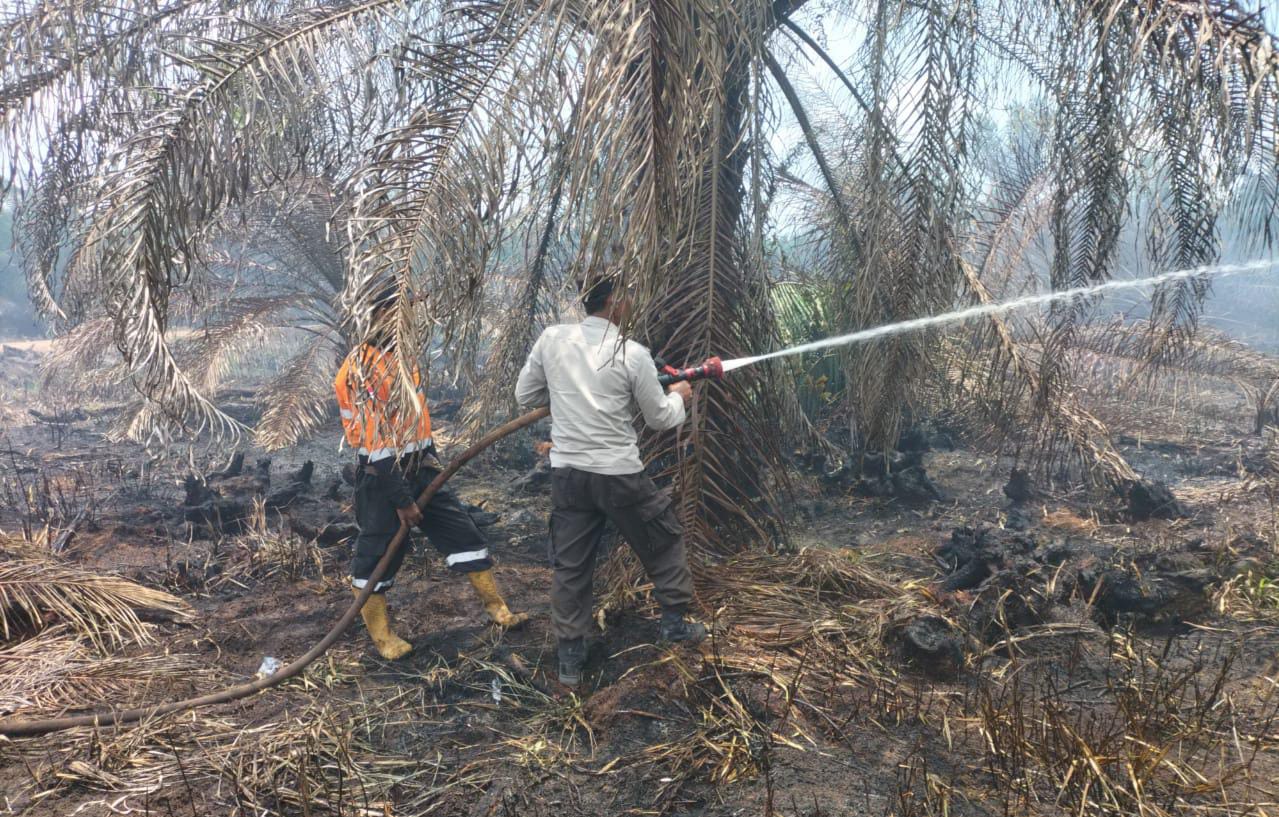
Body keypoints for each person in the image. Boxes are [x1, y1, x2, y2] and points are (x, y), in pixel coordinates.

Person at [515, 273, 706, 687]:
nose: (633, 302)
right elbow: (659, 418)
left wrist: (569, 396)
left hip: (568, 477)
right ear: (615, 302)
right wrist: (681, 397)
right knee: (664, 538)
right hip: (618, 475)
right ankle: (674, 624)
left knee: (571, 565)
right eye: (630, 295)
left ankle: (569, 659)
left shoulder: (551, 339)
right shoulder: (633, 354)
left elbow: (525, 397)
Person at [335, 287, 528, 660]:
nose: (413, 319)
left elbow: (417, 422)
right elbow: (376, 447)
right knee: (377, 556)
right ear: (381, 314)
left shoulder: (404, 360)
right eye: (404, 311)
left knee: (464, 532)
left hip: (421, 469)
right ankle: (383, 640)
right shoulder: (360, 369)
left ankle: (498, 610)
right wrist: (403, 501)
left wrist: (430, 465)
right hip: (381, 480)